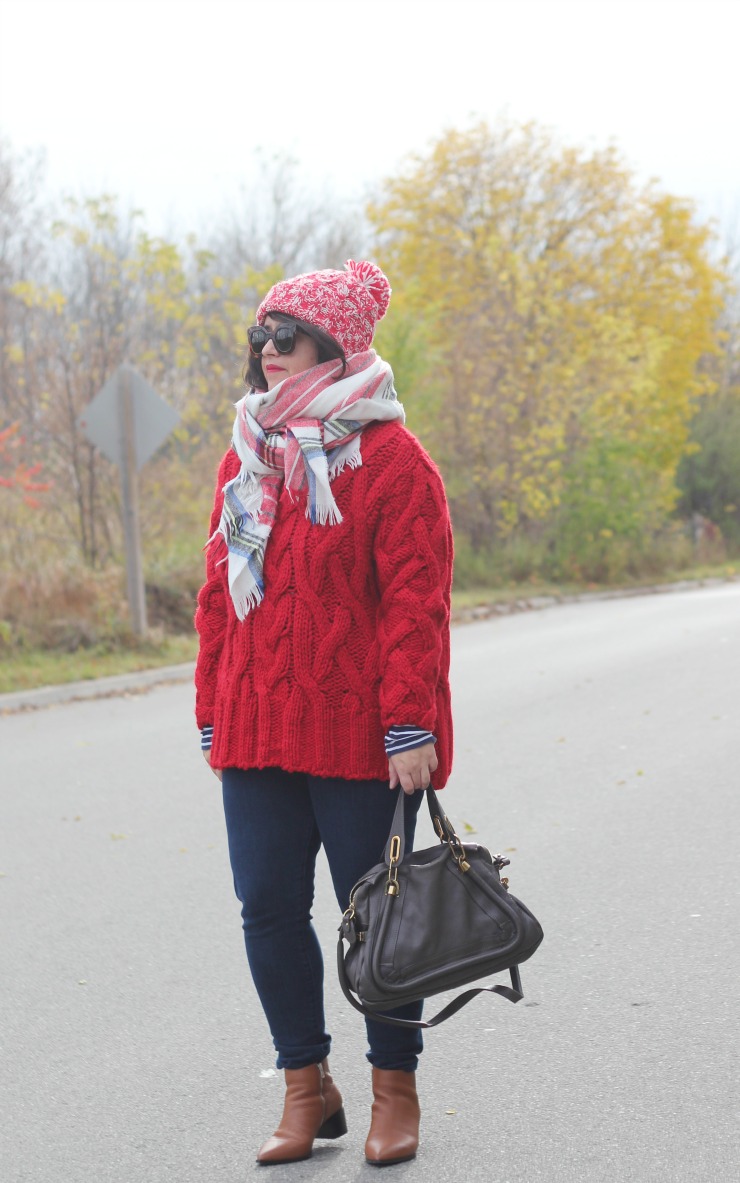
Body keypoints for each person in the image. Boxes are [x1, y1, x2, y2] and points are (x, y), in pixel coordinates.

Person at [194, 259, 453, 1166]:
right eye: (261, 335)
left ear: (337, 345)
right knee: (266, 906)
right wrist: (208, 706)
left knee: (378, 914)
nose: (269, 352)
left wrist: (410, 723)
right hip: (257, 725)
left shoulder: (392, 461)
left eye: (288, 336)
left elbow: (417, 603)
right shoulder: (248, 451)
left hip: (365, 737)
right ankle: (308, 1086)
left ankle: (395, 1086)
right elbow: (220, 596)